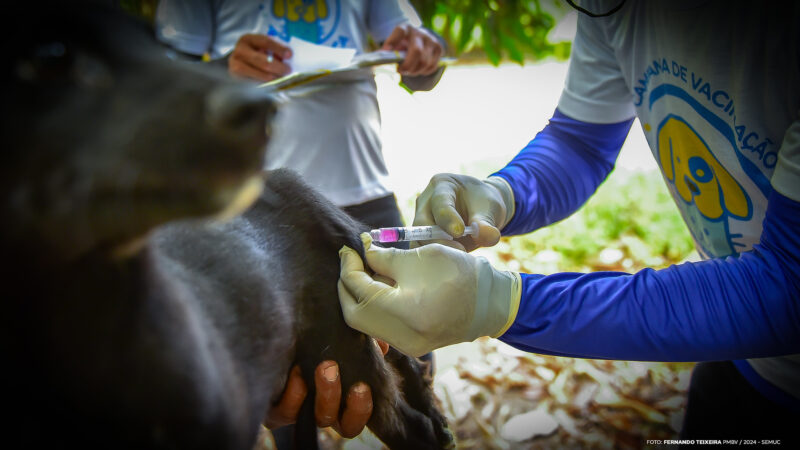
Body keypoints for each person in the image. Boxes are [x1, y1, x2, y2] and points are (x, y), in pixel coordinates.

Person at [338, 0, 800, 441]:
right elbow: (581, 142)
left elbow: (788, 284)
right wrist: (503, 193)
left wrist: (503, 303)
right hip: (736, 360)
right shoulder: (615, 10)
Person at [155, 0, 444, 442]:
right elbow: (159, 88)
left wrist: (423, 52)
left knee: (410, 365)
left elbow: (423, 67)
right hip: (260, 221)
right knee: (293, 397)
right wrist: (222, 76)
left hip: (369, 198)